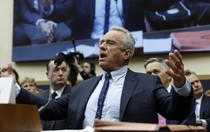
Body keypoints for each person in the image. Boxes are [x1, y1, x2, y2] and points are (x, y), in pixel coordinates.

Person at [13, 26, 194, 129]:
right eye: (101, 43)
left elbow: (176, 111)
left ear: (126, 53)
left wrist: (180, 85)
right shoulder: (83, 88)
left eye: (110, 43)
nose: (102, 47)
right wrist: (13, 88)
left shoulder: (147, 83)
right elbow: (48, 108)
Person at [56, 0, 182, 40]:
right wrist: (48, 8)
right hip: (90, 47)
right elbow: (63, 11)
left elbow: (155, 2)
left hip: (127, 46)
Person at [144, 57, 196, 125]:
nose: (152, 76)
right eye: (149, 73)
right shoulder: (143, 98)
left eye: (156, 72)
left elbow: (188, 124)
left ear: (169, 74)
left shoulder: (182, 97)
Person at [37, 59, 71, 130]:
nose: (61, 73)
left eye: (64, 70)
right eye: (56, 70)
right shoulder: (39, 97)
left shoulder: (75, 95)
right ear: (47, 75)